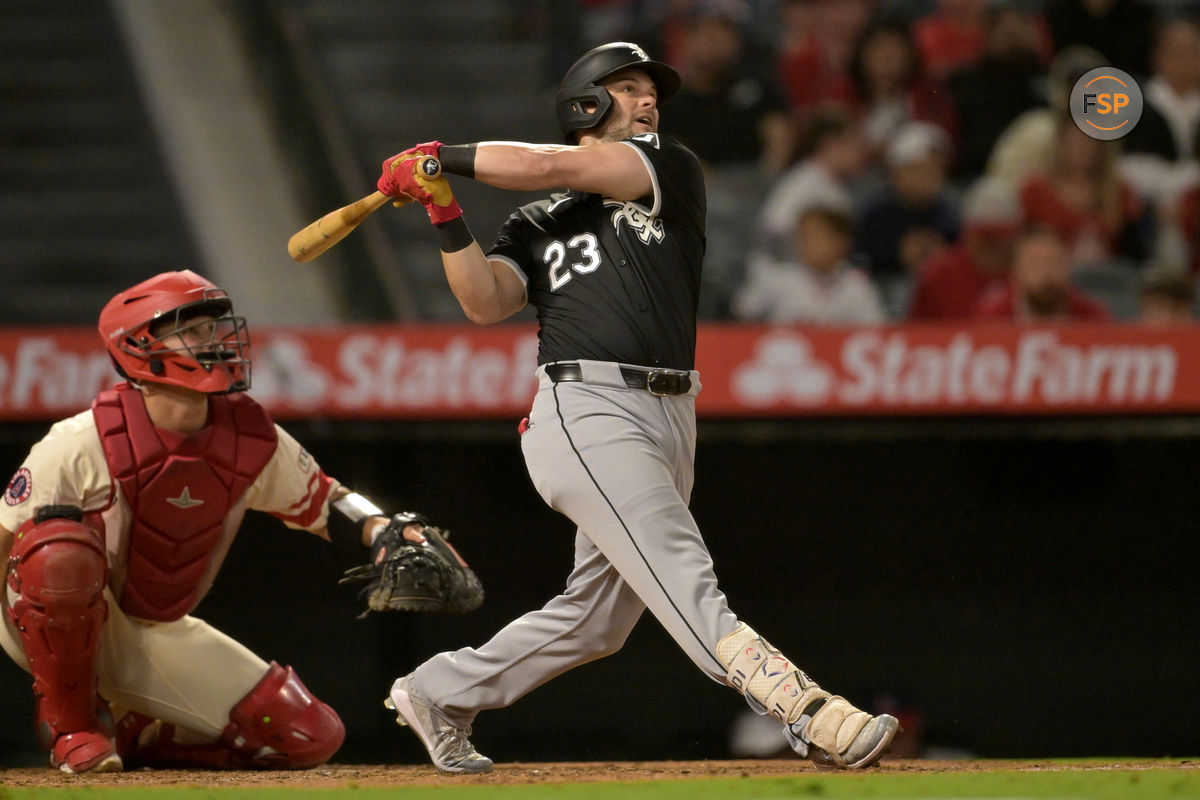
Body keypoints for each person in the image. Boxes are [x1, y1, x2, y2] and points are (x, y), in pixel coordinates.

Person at [371, 41, 898, 774]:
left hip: (670, 411)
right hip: (585, 407)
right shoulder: (537, 223)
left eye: (650, 91)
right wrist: (442, 208)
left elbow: (553, 164)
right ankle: (805, 711)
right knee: (684, 572)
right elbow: (485, 301)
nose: (648, 101)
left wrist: (441, 155)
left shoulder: (664, 168)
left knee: (596, 622)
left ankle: (437, 690)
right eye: (627, 89)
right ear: (585, 104)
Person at [0, 270, 437, 774]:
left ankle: (136, 730)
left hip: (150, 626)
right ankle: (72, 727)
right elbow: (11, 544)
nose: (217, 342)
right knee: (58, 553)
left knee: (309, 736)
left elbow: (327, 501)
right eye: (193, 330)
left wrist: (384, 528)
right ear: (140, 346)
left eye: (215, 328)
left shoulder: (246, 436)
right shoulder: (79, 439)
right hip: (50, 625)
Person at [734, 205, 886, 324]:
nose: (808, 244)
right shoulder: (778, 278)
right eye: (804, 237)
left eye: (818, 237)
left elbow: (874, 332)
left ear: (842, 243)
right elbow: (743, 314)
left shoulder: (857, 285)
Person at [907, 175, 1021, 320]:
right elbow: (915, 334)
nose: (992, 246)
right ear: (967, 234)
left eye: (999, 239)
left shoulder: (1030, 276)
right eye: (985, 239)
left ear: (1016, 238)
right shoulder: (938, 275)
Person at [974, 227, 1111, 320]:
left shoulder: (1092, 318)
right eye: (1035, 264)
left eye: (1053, 262)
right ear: (1016, 272)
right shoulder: (991, 319)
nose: (1046, 273)